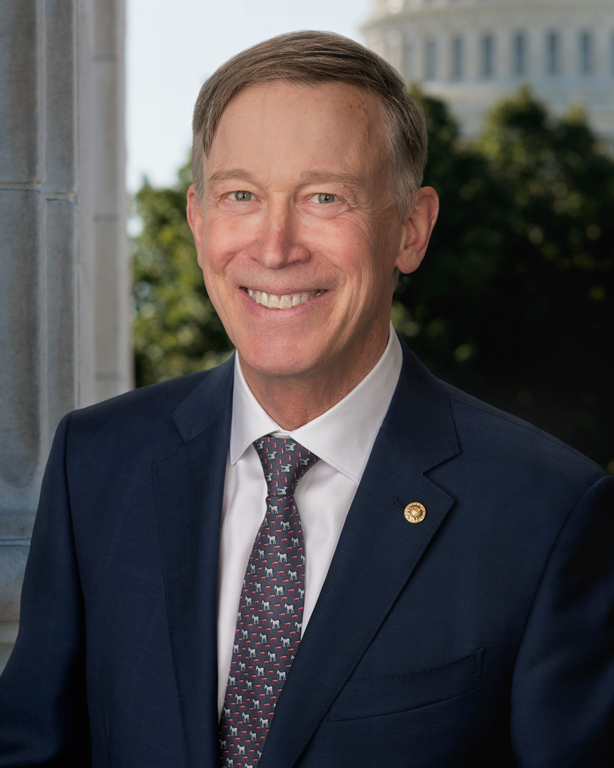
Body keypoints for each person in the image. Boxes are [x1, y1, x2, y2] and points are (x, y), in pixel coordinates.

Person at [0, 30, 612, 768]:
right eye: (241, 196)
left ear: (411, 230)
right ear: (198, 222)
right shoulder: (96, 464)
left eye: (325, 197)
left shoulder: (547, 513)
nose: (276, 244)